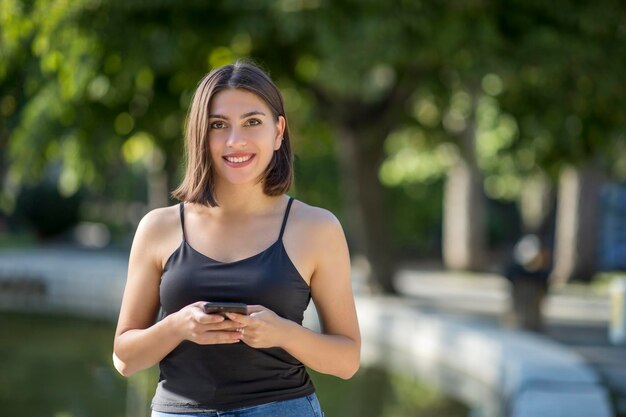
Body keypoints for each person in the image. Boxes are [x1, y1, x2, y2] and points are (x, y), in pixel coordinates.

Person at [112, 60, 361, 417]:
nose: (235, 140)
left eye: (252, 122)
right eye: (218, 125)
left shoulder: (317, 228)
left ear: (278, 132)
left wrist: (283, 333)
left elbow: (347, 360)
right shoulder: (158, 228)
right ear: (201, 134)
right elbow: (124, 359)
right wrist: (178, 326)